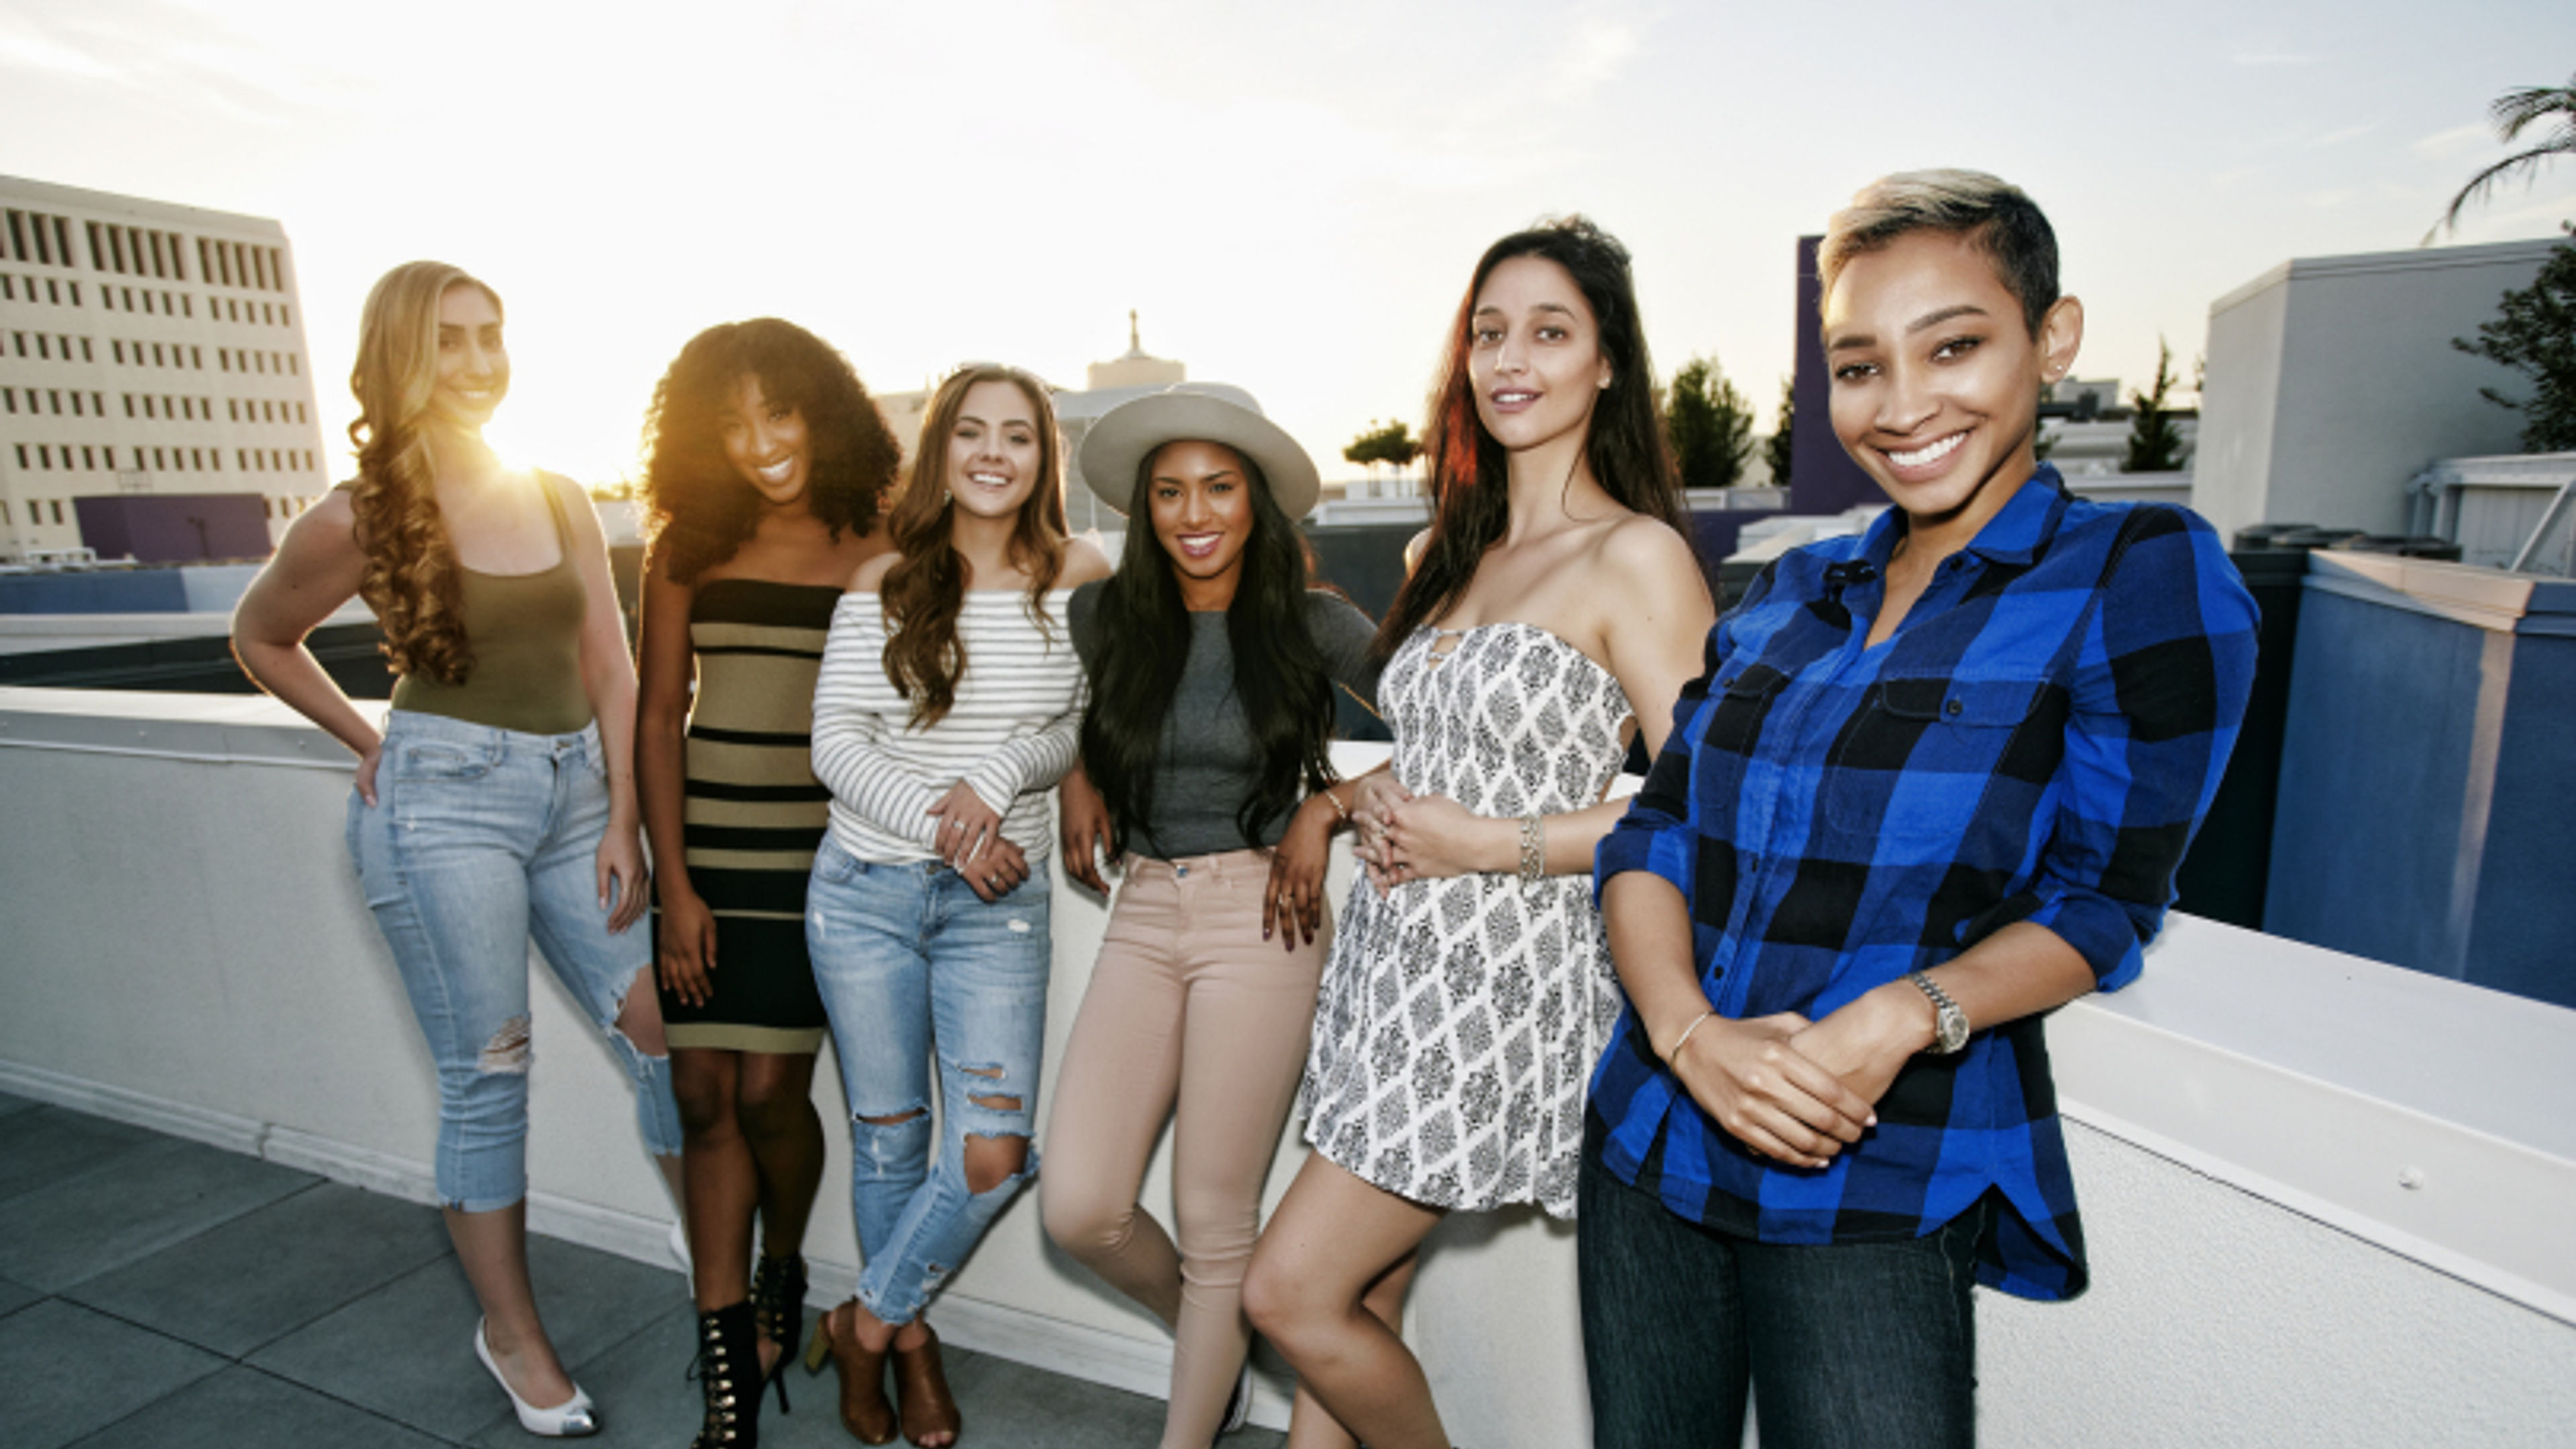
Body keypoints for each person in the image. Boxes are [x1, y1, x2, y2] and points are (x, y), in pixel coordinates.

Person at [1580, 170, 2260, 1448]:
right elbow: (1653, 833)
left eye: (1954, 346)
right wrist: (1682, 1034)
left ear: (2051, 338)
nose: (1902, 408)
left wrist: (1905, 1013)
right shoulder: (1788, 589)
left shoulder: (2141, 577)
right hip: (1649, 1139)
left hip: (1875, 1161)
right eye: (1859, 365)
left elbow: (2106, 900)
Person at [1240, 218, 1715, 1449]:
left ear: (1607, 362)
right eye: (1488, 332)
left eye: (1550, 331)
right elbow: (1451, 751)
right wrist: (1346, 802)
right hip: (1390, 969)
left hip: (1503, 986)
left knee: (1286, 1294)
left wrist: (1479, 845)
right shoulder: (1447, 550)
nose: (1511, 358)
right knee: (1360, 1297)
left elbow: (1698, 803)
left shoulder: (1639, 555)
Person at [231, 260, 684, 1439]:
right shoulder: (359, 513)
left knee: (666, 1035)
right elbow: (261, 634)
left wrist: (627, 816)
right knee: (491, 1076)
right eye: (451, 342)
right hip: (442, 808)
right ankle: (513, 1335)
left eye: (493, 336)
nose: (481, 362)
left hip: (576, 801)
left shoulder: (559, 491)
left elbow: (611, 662)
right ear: (399, 358)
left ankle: (717, 1264)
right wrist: (360, 733)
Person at [1040, 388, 1382, 1448]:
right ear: (1144, 510)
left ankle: (1191, 1418)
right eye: (1171, 491)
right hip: (1144, 906)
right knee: (1081, 1205)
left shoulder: (1311, 625)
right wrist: (1076, 778)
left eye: (1219, 488)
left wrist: (1326, 811)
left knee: (1214, 1219)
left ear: (1257, 503)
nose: (1196, 512)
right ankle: (1217, 1340)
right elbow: (1071, 722)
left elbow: (1457, 742)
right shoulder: (1103, 619)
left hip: (1264, 920)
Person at [802, 363, 1113, 1448]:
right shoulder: (884, 578)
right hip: (866, 895)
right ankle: (916, 1351)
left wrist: (1001, 780)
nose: (993, 453)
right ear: (939, 453)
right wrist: (946, 826)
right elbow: (835, 745)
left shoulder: (1081, 571)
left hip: (1000, 906)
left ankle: (867, 1325)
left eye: (1018, 436)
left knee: (991, 1155)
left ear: (1045, 456)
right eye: (970, 433)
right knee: (890, 1146)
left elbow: (1083, 721)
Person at [635, 319, 903, 1447]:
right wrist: (674, 884)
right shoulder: (684, 548)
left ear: (822, 411)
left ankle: (783, 1270)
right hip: (707, 855)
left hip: (818, 860)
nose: (759, 443)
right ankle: (728, 1374)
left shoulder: (882, 541)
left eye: (778, 412)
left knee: (768, 1099)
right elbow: (657, 714)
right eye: (730, 423)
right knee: (700, 1099)